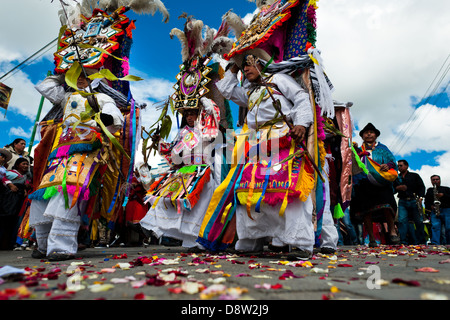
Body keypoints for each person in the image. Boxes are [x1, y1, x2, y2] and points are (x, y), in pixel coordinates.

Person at [203, 54, 316, 259]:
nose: (246, 69)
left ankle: (301, 242)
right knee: (248, 189)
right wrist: (233, 68)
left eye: (249, 64)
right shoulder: (250, 91)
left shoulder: (279, 80)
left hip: (283, 137)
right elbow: (227, 90)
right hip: (256, 145)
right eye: (243, 66)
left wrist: (301, 124)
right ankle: (250, 241)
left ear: (262, 64)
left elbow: (301, 97)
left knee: (288, 188)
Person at [28, 71, 124, 261]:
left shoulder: (101, 97)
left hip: (87, 151)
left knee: (69, 190)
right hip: (60, 151)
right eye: (77, 75)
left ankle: (61, 245)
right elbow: (45, 87)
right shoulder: (66, 97)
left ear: (94, 79)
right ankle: (43, 244)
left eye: (85, 76)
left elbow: (115, 118)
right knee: (44, 193)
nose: (80, 79)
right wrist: (62, 75)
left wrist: (102, 121)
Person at [139, 99, 221, 253]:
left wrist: (202, 99)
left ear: (199, 114)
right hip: (184, 172)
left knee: (198, 210)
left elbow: (213, 111)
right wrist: (160, 143)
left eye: (193, 113)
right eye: (187, 114)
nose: (190, 117)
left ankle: (197, 241)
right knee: (167, 199)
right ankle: (157, 227)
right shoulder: (182, 133)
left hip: (201, 173)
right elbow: (173, 154)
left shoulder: (205, 129)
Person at [350, 123, 400, 247]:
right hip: (363, 183)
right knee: (366, 210)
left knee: (387, 206)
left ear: (376, 135)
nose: (368, 134)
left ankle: (392, 232)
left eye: (371, 132)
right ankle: (372, 239)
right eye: (366, 132)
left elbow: (392, 161)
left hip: (381, 181)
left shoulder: (383, 148)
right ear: (362, 136)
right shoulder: (357, 150)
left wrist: (387, 166)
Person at [0, 158, 32, 250]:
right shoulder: (9, 173)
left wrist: (25, 188)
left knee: (14, 221)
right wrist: (10, 185)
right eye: (23, 164)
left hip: (17, 200)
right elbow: (3, 178)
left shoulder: (25, 176)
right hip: (8, 199)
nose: (26, 166)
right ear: (17, 165)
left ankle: (9, 243)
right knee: (6, 220)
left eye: (27, 164)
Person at [393, 159, 426, 244]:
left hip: (414, 200)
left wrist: (421, 198)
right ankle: (403, 242)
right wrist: (397, 188)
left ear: (407, 166)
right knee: (402, 221)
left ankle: (421, 242)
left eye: (401, 165)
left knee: (418, 221)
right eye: (398, 166)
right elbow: (393, 189)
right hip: (402, 201)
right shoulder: (396, 178)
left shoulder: (414, 176)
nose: (399, 167)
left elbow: (422, 187)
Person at [425, 175, 450, 245]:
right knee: (435, 227)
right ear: (431, 181)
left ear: (440, 180)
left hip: (447, 210)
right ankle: (435, 244)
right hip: (435, 211)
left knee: (448, 228)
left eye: (437, 179)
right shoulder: (430, 190)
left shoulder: (446, 189)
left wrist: (443, 195)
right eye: (433, 180)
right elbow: (426, 201)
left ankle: (448, 243)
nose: (435, 181)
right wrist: (431, 206)